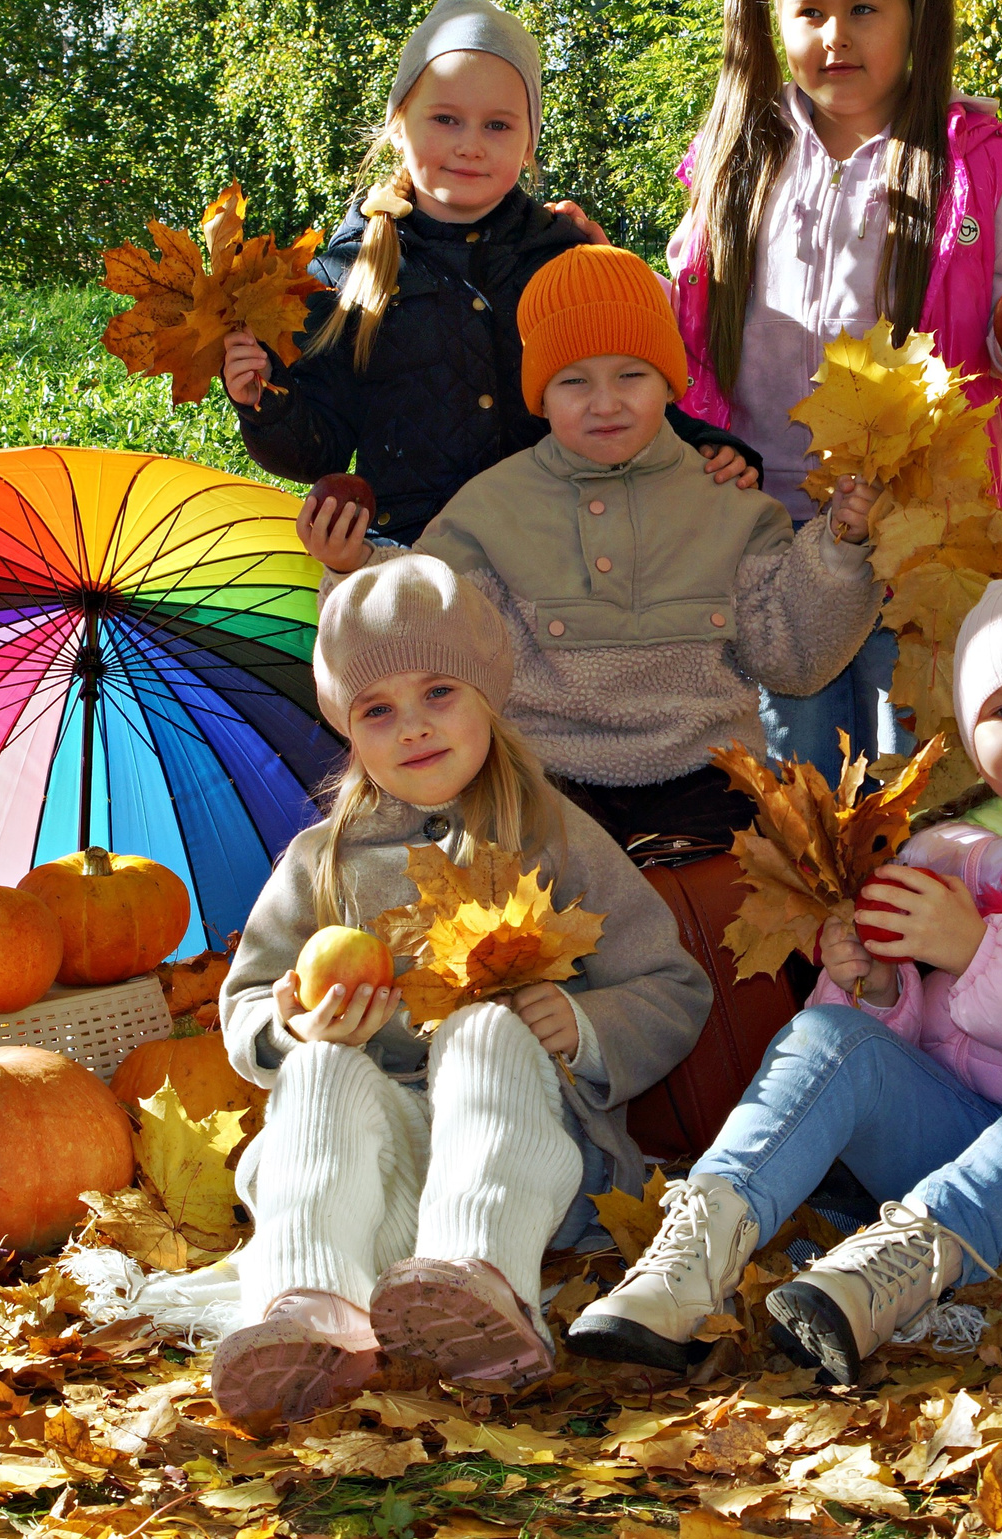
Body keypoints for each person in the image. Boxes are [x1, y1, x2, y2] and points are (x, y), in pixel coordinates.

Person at [569, 566, 1002, 1383]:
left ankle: (900, 1264)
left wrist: (976, 950)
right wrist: (881, 989)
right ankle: (694, 1255)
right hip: (966, 1142)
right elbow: (904, 1044)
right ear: (968, 725)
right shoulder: (941, 843)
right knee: (828, 1033)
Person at [209, 555, 710, 1432]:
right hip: (381, 1173)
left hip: (530, 1152)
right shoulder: (319, 863)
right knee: (324, 1072)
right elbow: (246, 999)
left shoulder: (550, 832)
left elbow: (671, 983)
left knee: (485, 1028)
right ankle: (313, 1306)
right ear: (350, 731)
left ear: (489, 692)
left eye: (439, 691)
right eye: (378, 710)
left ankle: (486, 1282)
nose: (412, 727)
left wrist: (583, 1026)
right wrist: (291, 1024)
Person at [665, 0, 1002, 768]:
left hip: (916, 522)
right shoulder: (742, 155)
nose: (837, 36)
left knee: (910, 756)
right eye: (811, 12)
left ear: (913, 16)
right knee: (796, 758)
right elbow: (681, 315)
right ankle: (812, 898)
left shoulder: (962, 162)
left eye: (865, 8)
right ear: (775, 23)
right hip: (767, 518)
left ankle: (911, 891)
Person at [298, 243, 883, 848]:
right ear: (540, 397)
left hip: (708, 774)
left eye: (631, 375)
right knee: (537, 901)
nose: (605, 403)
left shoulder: (730, 504)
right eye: (574, 381)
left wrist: (840, 549)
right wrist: (354, 568)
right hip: (544, 776)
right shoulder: (490, 507)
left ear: (671, 383)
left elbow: (790, 655)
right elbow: (428, 616)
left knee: (725, 904)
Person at [222, 0, 760, 546]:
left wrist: (703, 445)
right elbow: (321, 447)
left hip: (557, 553)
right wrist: (263, 399)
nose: (470, 145)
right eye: (446, 119)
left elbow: (625, 393)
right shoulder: (346, 269)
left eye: (498, 125)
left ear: (531, 141)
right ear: (399, 123)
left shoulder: (564, 257)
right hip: (412, 559)